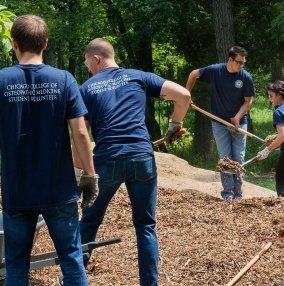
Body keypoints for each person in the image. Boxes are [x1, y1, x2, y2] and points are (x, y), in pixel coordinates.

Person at [78, 38, 191, 286]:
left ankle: (73, 279)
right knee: (146, 226)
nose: (89, 69)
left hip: (107, 159)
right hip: (142, 158)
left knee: (88, 222)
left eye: (88, 64)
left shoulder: (86, 88)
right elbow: (183, 95)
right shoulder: (139, 77)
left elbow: (81, 134)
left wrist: (82, 172)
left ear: (96, 59)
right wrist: (175, 124)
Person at [0, 15, 97, 286]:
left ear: (14, 43)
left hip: (17, 190)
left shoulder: (1, 80)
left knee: (16, 265)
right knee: (71, 259)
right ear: (45, 43)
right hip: (59, 190)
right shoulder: (64, 80)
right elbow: (79, 131)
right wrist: (90, 175)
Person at [185, 46, 255, 201]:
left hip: (239, 124)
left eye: (243, 63)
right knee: (225, 157)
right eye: (238, 62)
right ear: (229, 60)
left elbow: (248, 101)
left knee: (238, 158)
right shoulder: (215, 71)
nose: (241, 66)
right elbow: (193, 74)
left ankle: (238, 193)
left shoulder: (245, 77)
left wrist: (237, 117)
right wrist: (187, 95)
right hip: (219, 122)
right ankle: (228, 193)